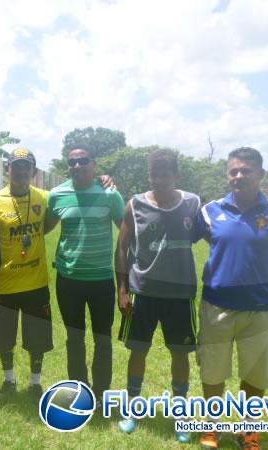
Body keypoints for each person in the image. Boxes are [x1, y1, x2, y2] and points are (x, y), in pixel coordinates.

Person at [197, 147, 268, 450]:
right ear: (227, 175)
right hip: (215, 306)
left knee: (255, 376)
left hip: (259, 308)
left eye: (246, 170)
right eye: (234, 171)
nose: (239, 176)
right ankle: (211, 429)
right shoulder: (210, 211)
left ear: (260, 174)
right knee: (212, 372)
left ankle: (248, 432)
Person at [115, 149, 200, 443]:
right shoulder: (135, 205)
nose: (159, 180)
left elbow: (213, 237)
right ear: (149, 175)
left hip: (180, 294)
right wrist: (123, 290)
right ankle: (132, 409)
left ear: (176, 175)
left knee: (180, 353)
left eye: (165, 174)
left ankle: (181, 414)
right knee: (138, 350)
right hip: (144, 293)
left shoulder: (192, 204)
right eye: (154, 174)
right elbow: (121, 249)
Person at [45, 144, 124, 403]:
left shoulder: (110, 194)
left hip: (101, 279)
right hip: (68, 279)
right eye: (72, 162)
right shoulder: (57, 195)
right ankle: (80, 390)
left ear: (94, 163)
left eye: (83, 161)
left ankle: (101, 393)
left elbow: (126, 235)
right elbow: (44, 228)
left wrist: (127, 280)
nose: (77, 166)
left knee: (103, 339)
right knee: (74, 338)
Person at [0, 148, 53, 401]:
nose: (21, 171)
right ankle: (9, 380)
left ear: (33, 171)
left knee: (38, 338)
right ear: (8, 169)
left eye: (27, 167)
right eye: (16, 166)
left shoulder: (44, 198)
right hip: (4, 284)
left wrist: (104, 180)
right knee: (3, 338)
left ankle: (35, 383)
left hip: (36, 283)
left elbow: (70, 195)